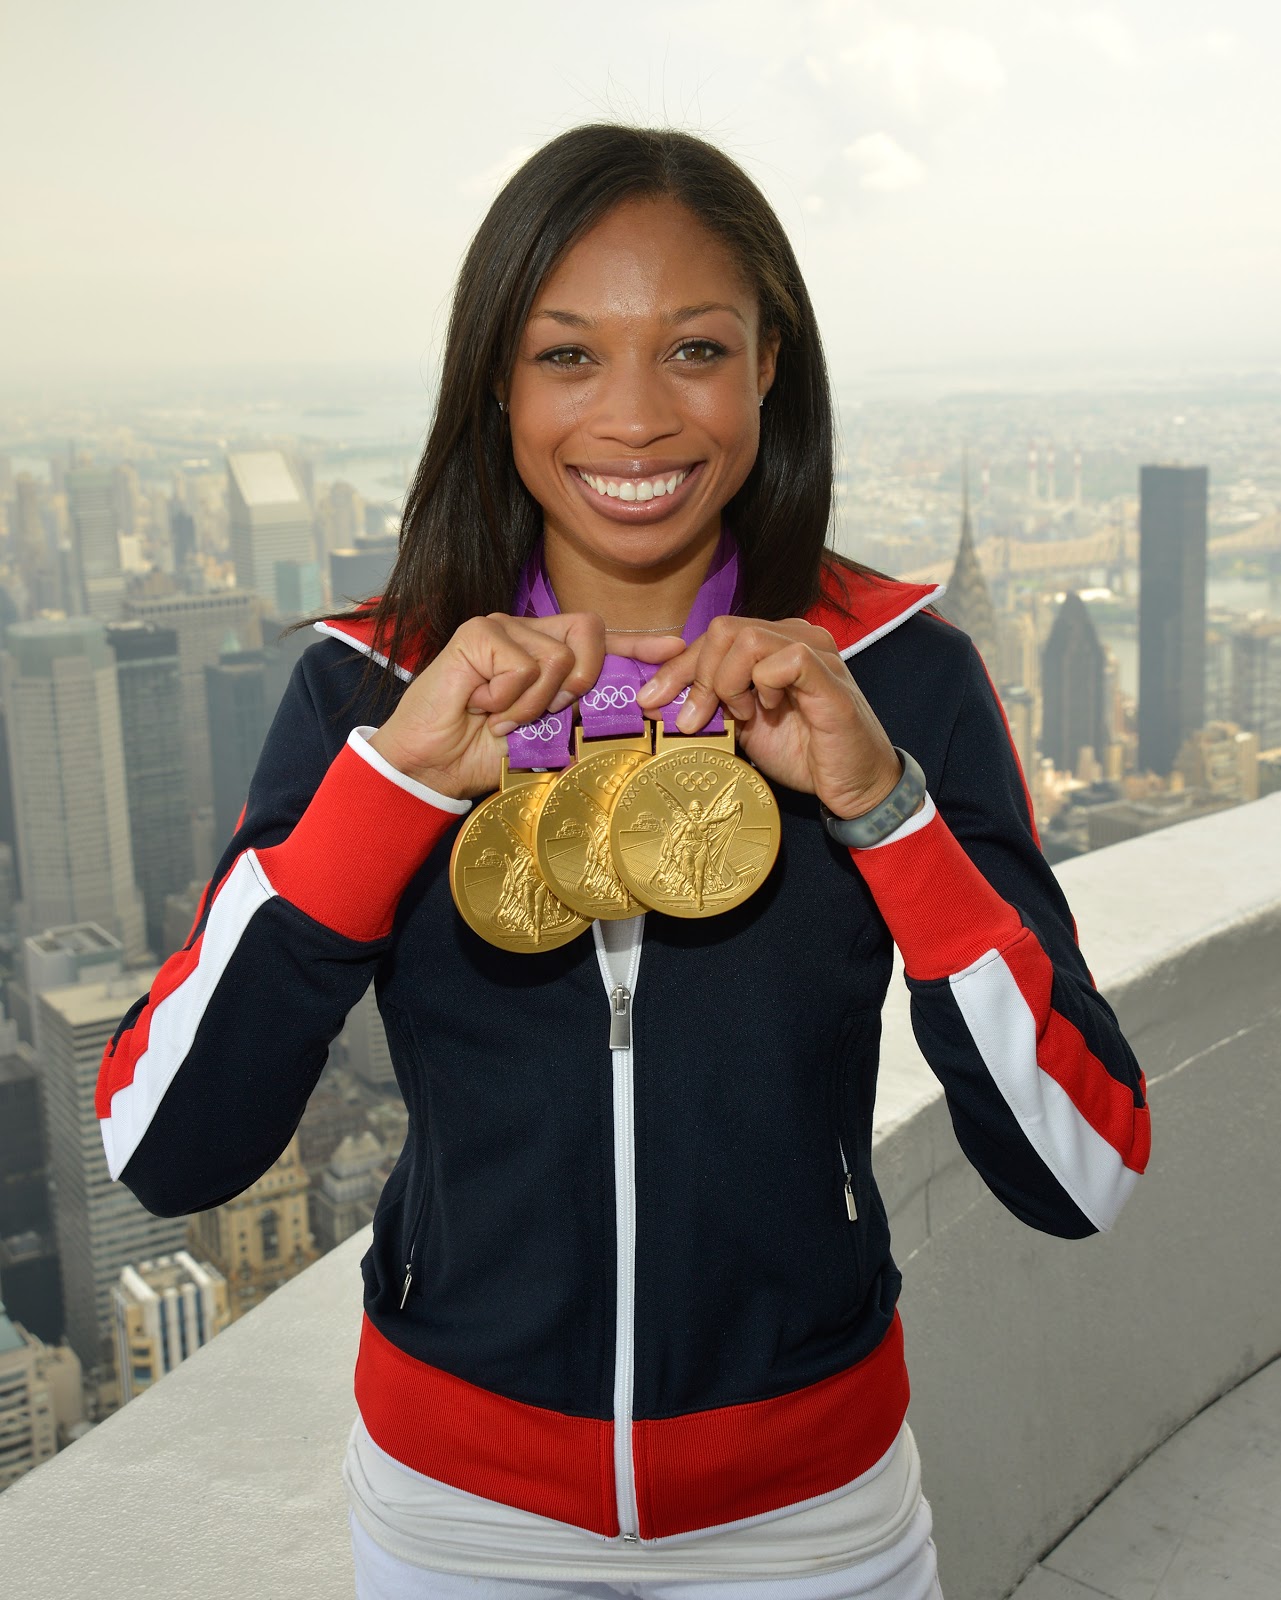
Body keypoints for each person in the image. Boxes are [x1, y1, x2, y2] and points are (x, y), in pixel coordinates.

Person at [97, 125, 1150, 1600]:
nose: (639, 419)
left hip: (810, 1519)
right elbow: (168, 1144)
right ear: (497, 383)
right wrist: (389, 788)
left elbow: (1081, 1168)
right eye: (570, 356)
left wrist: (884, 813)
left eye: (695, 348)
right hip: (456, 1515)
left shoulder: (891, 677)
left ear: (768, 365)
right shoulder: (368, 688)